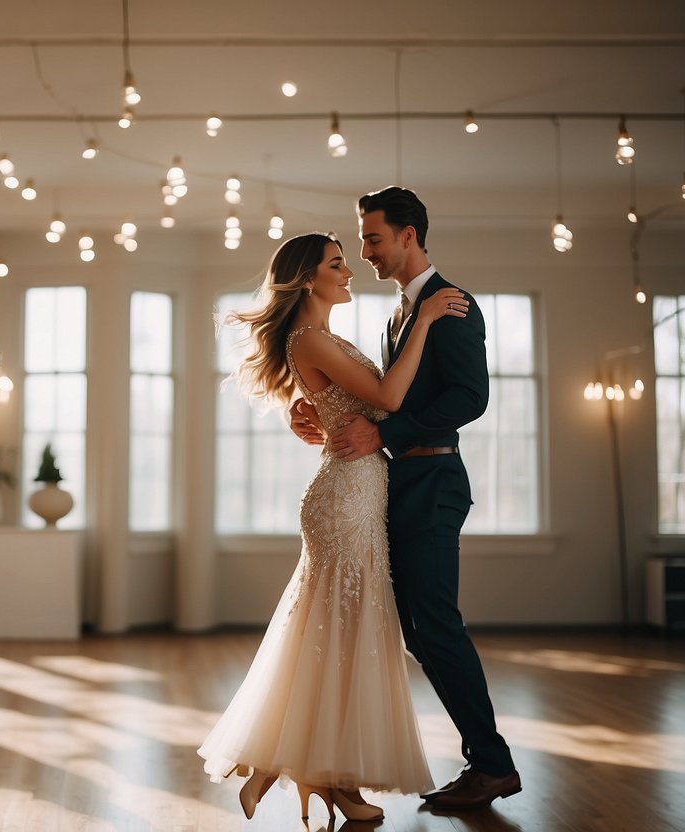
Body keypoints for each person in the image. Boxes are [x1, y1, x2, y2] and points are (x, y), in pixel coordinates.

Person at [198, 232, 469, 823]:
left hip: (356, 492)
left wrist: (314, 411)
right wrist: (423, 320)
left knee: (335, 632)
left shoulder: (321, 339)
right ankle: (312, 771)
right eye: (337, 264)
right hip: (345, 497)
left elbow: (351, 406)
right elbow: (391, 399)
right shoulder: (313, 338)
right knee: (342, 633)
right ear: (307, 279)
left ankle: (299, 767)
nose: (350, 272)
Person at [291, 186, 521, 810]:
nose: (365, 251)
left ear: (409, 236)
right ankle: (482, 760)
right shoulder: (399, 313)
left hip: (435, 481)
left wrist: (385, 431)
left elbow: (470, 397)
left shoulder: (452, 305)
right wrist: (312, 405)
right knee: (418, 630)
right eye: (360, 241)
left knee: (435, 623)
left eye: (372, 238)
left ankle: (492, 764)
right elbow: (376, 391)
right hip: (398, 483)